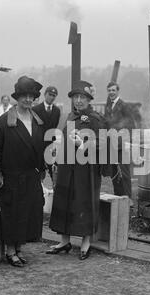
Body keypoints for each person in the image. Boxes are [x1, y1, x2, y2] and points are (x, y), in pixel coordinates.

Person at [0, 76, 46, 267]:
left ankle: (19, 248)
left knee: (27, 213)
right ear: (17, 97)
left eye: (31, 96)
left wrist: (42, 169)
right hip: (11, 176)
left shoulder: (37, 120)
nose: (28, 100)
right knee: (12, 213)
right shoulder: (5, 121)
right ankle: (10, 251)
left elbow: (39, 147)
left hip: (31, 175)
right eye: (24, 96)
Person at [47, 80, 106, 260]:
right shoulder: (70, 117)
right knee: (64, 201)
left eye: (82, 97)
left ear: (89, 100)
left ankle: (86, 242)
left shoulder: (96, 119)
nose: (78, 101)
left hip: (86, 170)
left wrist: (85, 144)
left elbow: (104, 144)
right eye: (76, 97)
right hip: (67, 167)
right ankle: (65, 241)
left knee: (84, 202)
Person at [104, 81, 135, 204]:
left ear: (118, 91)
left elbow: (131, 124)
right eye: (109, 90)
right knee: (114, 172)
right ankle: (118, 197)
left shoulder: (124, 106)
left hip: (122, 144)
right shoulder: (108, 105)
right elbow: (107, 122)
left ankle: (128, 199)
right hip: (111, 144)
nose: (111, 92)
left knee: (124, 173)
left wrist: (127, 141)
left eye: (113, 90)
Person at [32, 86, 61, 186]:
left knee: (51, 168)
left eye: (54, 96)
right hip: (38, 144)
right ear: (45, 95)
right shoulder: (35, 109)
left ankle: (51, 191)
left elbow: (54, 126)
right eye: (50, 95)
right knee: (38, 169)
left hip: (50, 144)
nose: (52, 97)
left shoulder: (57, 111)